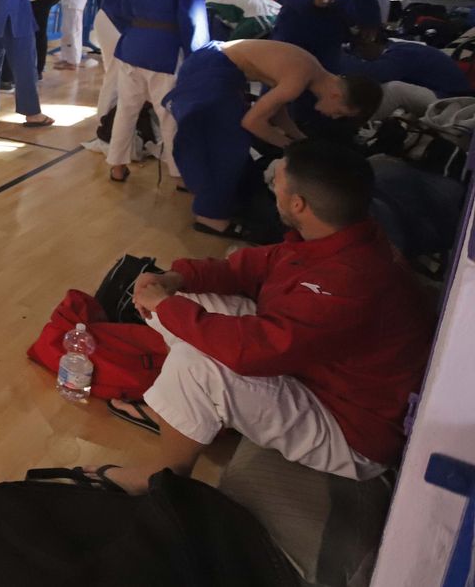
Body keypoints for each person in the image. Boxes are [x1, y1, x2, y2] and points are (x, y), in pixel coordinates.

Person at [86, 139, 433, 496]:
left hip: (350, 428)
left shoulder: (350, 279)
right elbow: (249, 268)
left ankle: (164, 478)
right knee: (183, 301)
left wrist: (165, 304)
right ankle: (193, 413)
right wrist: (173, 280)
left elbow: (254, 349)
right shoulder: (340, 236)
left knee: (196, 365)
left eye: (279, 181)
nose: (273, 183)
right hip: (317, 372)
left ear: (298, 204)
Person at [165, 39, 381, 237]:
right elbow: (251, 123)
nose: (334, 117)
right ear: (337, 95)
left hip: (214, 61)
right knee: (227, 145)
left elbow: (277, 110)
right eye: (340, 113)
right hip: (211, 68)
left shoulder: (311, 71)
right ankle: (210, 218)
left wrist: (299, 139)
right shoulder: (301, 77)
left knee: (216, 137)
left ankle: (199, 187)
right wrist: (293, 148)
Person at [101, 0, 210, 183]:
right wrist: (198, 55)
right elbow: (192, 15)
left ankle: (116, 165)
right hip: (166, 49)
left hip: (131, 46)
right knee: (169, 115)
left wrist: (132, 28)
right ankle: (179, 174)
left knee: (127, 109)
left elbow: (109, 2)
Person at [340, 32, 471, 98]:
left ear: (368, 44)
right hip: (451, 91)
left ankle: (358, 126)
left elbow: (375, 74)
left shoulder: (400, 54)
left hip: (451, 97)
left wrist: (337, 59)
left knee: (393, 89)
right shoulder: (400, 47)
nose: (360, 56)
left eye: (358, 51)